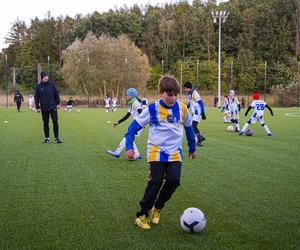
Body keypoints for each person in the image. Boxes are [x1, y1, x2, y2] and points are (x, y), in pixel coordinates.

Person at [125, 76, 196, 230]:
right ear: (160, 93)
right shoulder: (152, 109)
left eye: (176, 94)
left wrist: (192, 146)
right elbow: (133, 127)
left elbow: (189, 127)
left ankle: (157, 207)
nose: (173, 98)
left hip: (175, 153)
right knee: (155, 182)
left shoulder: (182, 108)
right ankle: (142, 215)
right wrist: (129, 146)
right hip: (156, 152)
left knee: (174, 181)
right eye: (169, 94)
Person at [106, 88, 143, 160]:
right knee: (129, 137)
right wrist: (118, 122)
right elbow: (128, 115)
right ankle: (137, 155)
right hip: (136, 124)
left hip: (137, 124)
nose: (127, 96)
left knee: (128, 136)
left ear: (131, 95)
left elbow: (141, 111)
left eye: (128, 94)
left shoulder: (135, 103)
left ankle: (117, 152)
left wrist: (142, 122)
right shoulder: (132, 102)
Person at [34, 71, 62, 144]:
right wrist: (38, 107)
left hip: (53, 107)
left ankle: (56, 138)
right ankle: (47, 138)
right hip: (44, 108)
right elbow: (36, 97)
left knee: (55, 121)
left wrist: (58, 103)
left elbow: (56, 94)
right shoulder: (38, 87)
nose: (47, 77)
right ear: (42, 78)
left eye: (47, 76)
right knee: (45, 123)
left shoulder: (52, 84)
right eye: (45, 76)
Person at [183, 81, 206, 146]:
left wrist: (203, 112)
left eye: (185, 88)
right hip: (194, 112)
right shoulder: (189, 93)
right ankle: (200, 137)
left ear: (188, 88)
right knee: (192, 125)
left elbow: (201, 102)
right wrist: (185, 108)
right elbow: (190, 103)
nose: (185, 90)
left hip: (197, 112)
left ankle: (199, 141)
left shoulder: (195, 93)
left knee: (193, 126)